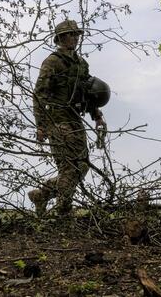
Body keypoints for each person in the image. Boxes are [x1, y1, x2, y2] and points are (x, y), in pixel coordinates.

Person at [28, 19, 107, 216]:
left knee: (81, 166)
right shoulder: (52, 62)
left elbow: (87, 93)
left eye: (77, 35)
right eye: (71, 34)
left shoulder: (81, 64)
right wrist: (41, 125)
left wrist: (96, 115)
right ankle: (63, 211)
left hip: (75, 120)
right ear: (61, 38)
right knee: (68, 168)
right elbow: (40, 94)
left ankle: (42, 194)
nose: (75, 38)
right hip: (57, 122)